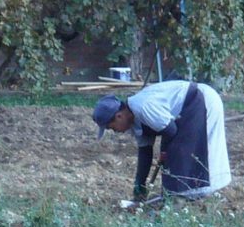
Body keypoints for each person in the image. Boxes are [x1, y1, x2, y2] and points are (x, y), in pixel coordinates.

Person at [93, 80, 231, 201]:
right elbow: (145, 152)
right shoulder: (134, 123)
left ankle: (183, 199)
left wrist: (164, 152)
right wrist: (139, 184)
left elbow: (170, 130)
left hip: (198, 101)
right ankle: (182, 198)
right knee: (174, 160)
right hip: (185, 111)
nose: (116, 132)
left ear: (118, 116)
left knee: (179, 156)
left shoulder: (142, 107)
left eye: (112, 128)